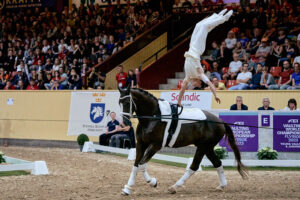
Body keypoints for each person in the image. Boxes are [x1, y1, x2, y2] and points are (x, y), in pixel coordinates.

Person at [178, 9, 233, 106]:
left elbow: (182, 89)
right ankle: (224, 18)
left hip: (191, 47)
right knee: (204, 27)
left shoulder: (188, 77)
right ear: (199, 83)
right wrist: (215, 95)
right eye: (197, 85)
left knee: (199, 25)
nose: (194, 85)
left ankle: (217, 16)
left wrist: (178, 102)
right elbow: (211, 85)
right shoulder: (201, 75)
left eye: (194, 85)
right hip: (198, 49)